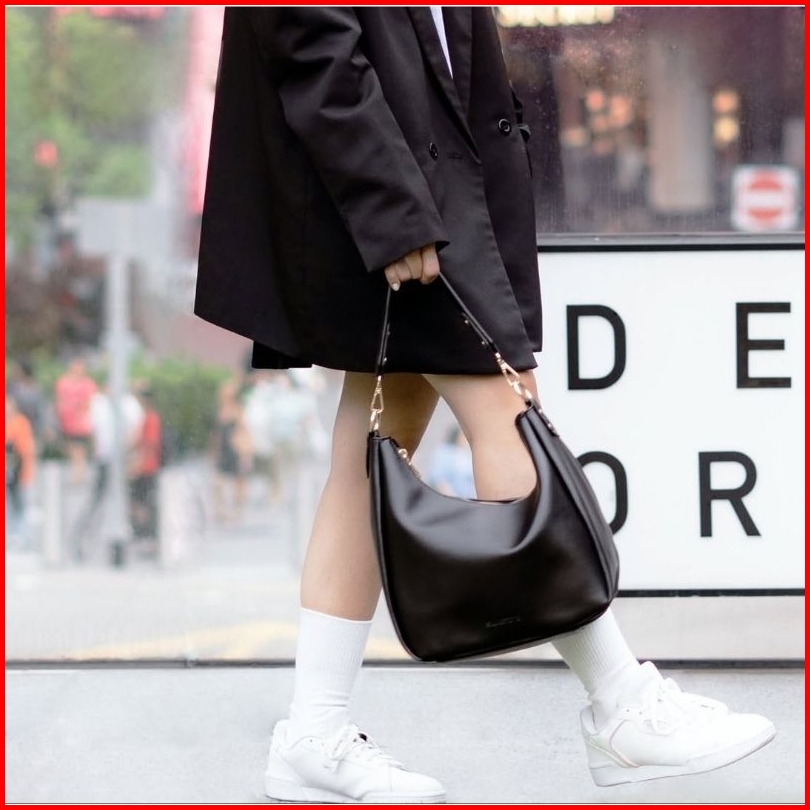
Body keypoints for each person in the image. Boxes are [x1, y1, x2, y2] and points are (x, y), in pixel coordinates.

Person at [195, 8, 774, 803]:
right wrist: (391, 207)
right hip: (392, 189)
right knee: (510, 418)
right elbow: (312, 41)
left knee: (372, 453)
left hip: (429, 181)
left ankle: (313, 733)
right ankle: (621, 703)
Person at [209, 378, 252, 525]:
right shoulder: (220, 412)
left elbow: (244, 431)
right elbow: (216, 435)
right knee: (218, 483)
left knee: (237, 483)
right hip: (223, 451)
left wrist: (245, 454)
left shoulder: (237, 411)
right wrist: (213, 451)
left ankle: (236, 511)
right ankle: (220, 510)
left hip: (235, 451)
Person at [128, 384, 163, 550]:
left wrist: (138, 464)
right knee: (140, 501)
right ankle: (143, 534)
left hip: (147, 468)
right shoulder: (147, 417)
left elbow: (150, 444)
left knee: (142, 502)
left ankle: (146, 535)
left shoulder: (151, 418)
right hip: (145, 466)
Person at [54, 358, 97, 485]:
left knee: (79, 451)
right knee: (70, 449)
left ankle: (78, 475)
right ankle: (75, 473)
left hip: (81, 424)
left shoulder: (87, 384)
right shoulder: (63, 383)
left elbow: (89, 403)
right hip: (66, 423)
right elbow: (60, 401)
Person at [5, 392, 37, 549]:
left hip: (20, 470)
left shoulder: (20, 423)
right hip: (7, 472)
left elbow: (25, 449)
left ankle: (22, 536)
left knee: (21, 505)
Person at [425, 425, 475, 498]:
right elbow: (439, 478)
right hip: (448, 497)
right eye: (464, 435)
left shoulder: (467, 455)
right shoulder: (444, 451)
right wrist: (452, 497)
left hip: (466, 499)